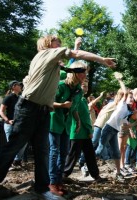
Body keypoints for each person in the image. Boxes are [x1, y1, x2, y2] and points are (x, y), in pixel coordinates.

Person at [0, 35, 115, 199]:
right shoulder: (45, 54)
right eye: (58, 43)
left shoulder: (52, 65)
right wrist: (101, 59)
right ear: (48, 45)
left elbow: (73, 69)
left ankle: (42, 189)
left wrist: (76, 52)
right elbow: (74, 56)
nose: (61, 46)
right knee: (15, 144)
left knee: (43, 151)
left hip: (43, 111)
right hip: (29, 107)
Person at [48, 61, 87, 196]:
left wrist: (78, 121)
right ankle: (52, 182)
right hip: (55, 121)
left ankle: (59, 181)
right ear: (74, 72)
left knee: (64, 152)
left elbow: (74, 108)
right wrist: (61, 105)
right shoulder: (60, 86)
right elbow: (48, 102)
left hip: (67, 124)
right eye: (82, 71)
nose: (84, 74)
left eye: (85, 71)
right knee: (54, 151)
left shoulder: (79, 90)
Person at [95, 72, 137, 181]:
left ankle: (118, 173)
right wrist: (120, 80)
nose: (131, 99)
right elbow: (124, 91)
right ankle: (86, 164)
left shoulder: (127, 111)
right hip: (108, 129)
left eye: (133, 98)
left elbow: (125, 126)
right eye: (130, 97)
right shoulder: (122, 104)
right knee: (99, 150)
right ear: (125, 97)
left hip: (114, 131)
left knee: (116, 153)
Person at [63, 78, 101, 182]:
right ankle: (63, 175)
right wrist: (89, 130)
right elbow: (83, 117)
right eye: (84, 85)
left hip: (83, 133)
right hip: (78, 132)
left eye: (87, 86)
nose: (86, 88)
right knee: (73, 155)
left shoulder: (83, 99)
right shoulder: (78, 99)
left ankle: (96, 176)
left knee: (90, 155)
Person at [0, 80, 27, 167]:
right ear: (13, 87)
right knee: (11, 145)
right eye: (19, 85)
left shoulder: (19, 97)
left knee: (23, 142)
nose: (20, 86)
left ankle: (17, 160)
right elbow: (1, 111)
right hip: (10, 125)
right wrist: (7, 120)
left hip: (18, 124)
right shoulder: (8, 97)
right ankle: (9, 163)